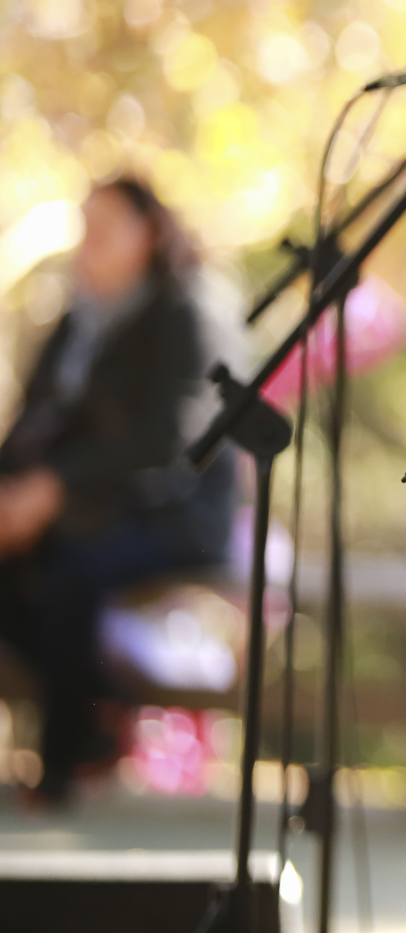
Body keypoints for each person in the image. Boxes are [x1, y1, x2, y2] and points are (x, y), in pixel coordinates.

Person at [0, 175, 237, 806]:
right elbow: (33, 422)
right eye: (88, 228)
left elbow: (163, 442)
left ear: (147, 234)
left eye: (106, 228)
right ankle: (100, 710)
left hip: (168, 513)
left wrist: (53, 490)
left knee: (68, 574)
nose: (91, 244)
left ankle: (58, 763)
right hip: (80, 509)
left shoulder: (179, 314)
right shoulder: (77, 318)